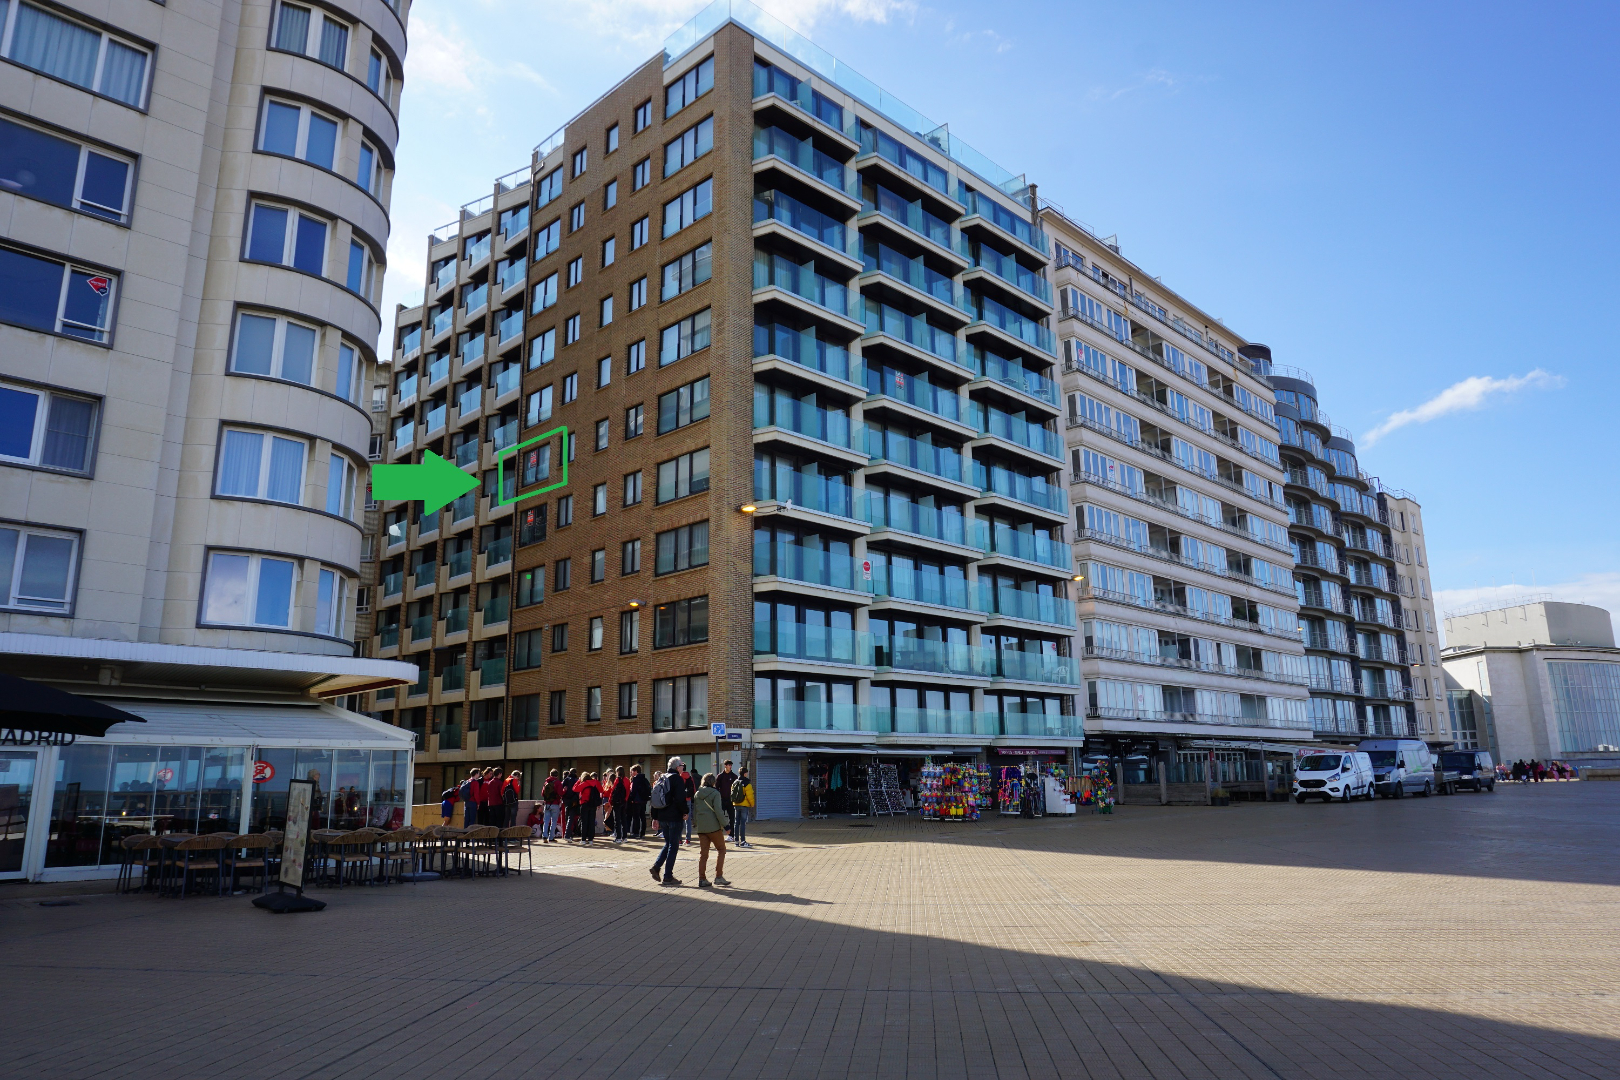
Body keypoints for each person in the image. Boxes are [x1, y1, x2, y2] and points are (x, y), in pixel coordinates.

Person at [650, 757, 689, 886]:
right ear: (677, 767)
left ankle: (656, 867)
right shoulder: (676, 779)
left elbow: (654, 799)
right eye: (682, 765)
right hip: (674, 816)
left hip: (662, 816)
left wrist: (655, 817)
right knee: (673, 845)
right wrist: (685, 811)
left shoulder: (662, 777)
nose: (683, 768)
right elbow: (680, 798)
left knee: (668, 843)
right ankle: (668, 876)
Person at [692, 773, 731, 888]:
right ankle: (718, 876)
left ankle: (702, 879)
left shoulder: (697, 794)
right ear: (713, 782)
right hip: (713, 827)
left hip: (702, 828)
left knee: (703, 854)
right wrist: (726, 826)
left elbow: (695, 811)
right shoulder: (715, 793)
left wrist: (696, 823)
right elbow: (718, 811)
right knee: (721, 850)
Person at [574, 771, 603, 846]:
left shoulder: (584, 783)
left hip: (584, 804)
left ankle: (583, 839)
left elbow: (574, 789)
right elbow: (602, 790)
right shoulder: (596, 782)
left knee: (584, 822)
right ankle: (590, 839)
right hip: (593, 805)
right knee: (591, 822)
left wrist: (578, 781)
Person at [539, 769, 564, 843]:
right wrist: (564, 790)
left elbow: (542, 794)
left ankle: (544, 836)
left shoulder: (546, 782)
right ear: (557, 775)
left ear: (550, 774)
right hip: (555, 804)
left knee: (546, 821)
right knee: (554, 822)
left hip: (547, 804)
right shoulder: (558, 782)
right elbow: (560, 793)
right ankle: (551, 837)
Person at [731, 767, 753, 848]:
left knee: (736, 823)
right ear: (745, 773)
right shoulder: (747, 783)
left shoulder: (735, 782)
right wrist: (752, 804)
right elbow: (750, 795)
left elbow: (732, 793)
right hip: (744, 805)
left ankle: (736, 841)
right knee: (742, 823)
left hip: (736, 804)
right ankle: (743, 841)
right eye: (746, 773)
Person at [628, 764, 650, 839]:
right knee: (642, 816)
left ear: (635, 771)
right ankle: (642, 832)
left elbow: (633, 790)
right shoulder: (644, 779)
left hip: (636, 800)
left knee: (636, 817)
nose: (631, 773)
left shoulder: (636, 779)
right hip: (643, 800)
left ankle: (636, 832)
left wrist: (631, 799)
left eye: (631, 771)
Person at [610, 767, 630, 844]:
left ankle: (618, 837)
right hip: (624, 802)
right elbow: (628, 791)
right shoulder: (627, 780)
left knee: (617, 820)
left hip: (617, 802)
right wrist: (625, 799)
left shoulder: (617, 780)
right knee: (624, 819)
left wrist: (610, 801)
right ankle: (625, 837)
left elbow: (613, 791)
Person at [718, 759, 737, 836]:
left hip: (730, 800)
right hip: (722, 799)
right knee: (720, 816)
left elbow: (736, 788)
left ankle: (731, 835)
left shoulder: (734, 776)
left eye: (731, 765)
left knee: (732, 817)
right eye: (729, 765)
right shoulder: (720, 776)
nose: (730, 767)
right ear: (725, 766)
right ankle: (719, 833)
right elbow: (717, 787)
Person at [561, 768, 581, 841]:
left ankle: (567, 834)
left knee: (567, 818)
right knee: (571, 818)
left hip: (566, 801)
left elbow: (562, 789)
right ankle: (568, 835)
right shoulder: (576, 780)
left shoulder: (566, 780)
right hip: (574, 801)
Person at [681, 763, 697, 844]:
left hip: (680, 800)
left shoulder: (678, 777)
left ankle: (679, 839)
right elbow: (694, 789)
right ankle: (688, 839)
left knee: (679, 819)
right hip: (688, 799)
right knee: (688, 820)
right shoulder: (689, 777)